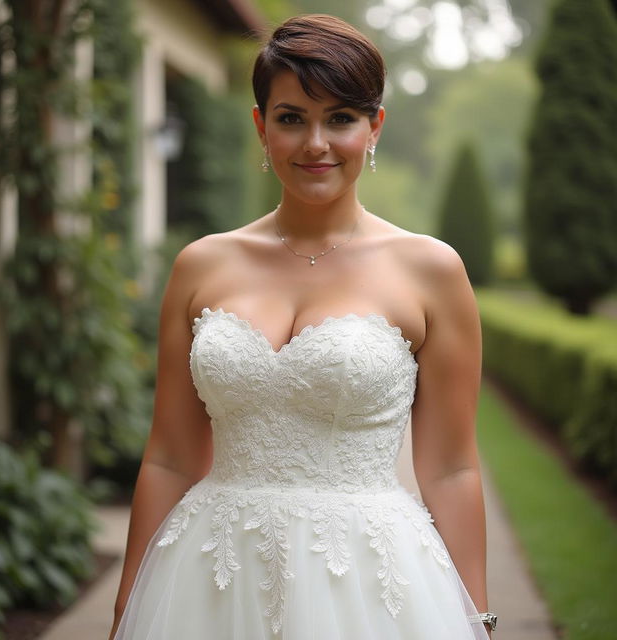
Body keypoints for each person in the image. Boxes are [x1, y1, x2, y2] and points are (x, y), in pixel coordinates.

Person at [109, 14, 495, 640]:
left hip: (368, 581)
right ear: (262, 128)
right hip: (210, 577)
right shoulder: (202, 264)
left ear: (374, 127)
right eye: (291, 118)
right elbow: (171, 457)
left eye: (340, 118)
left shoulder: (431, 270)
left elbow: (452, 468)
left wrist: (477, 617)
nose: (316, 143)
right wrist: (129, 602)